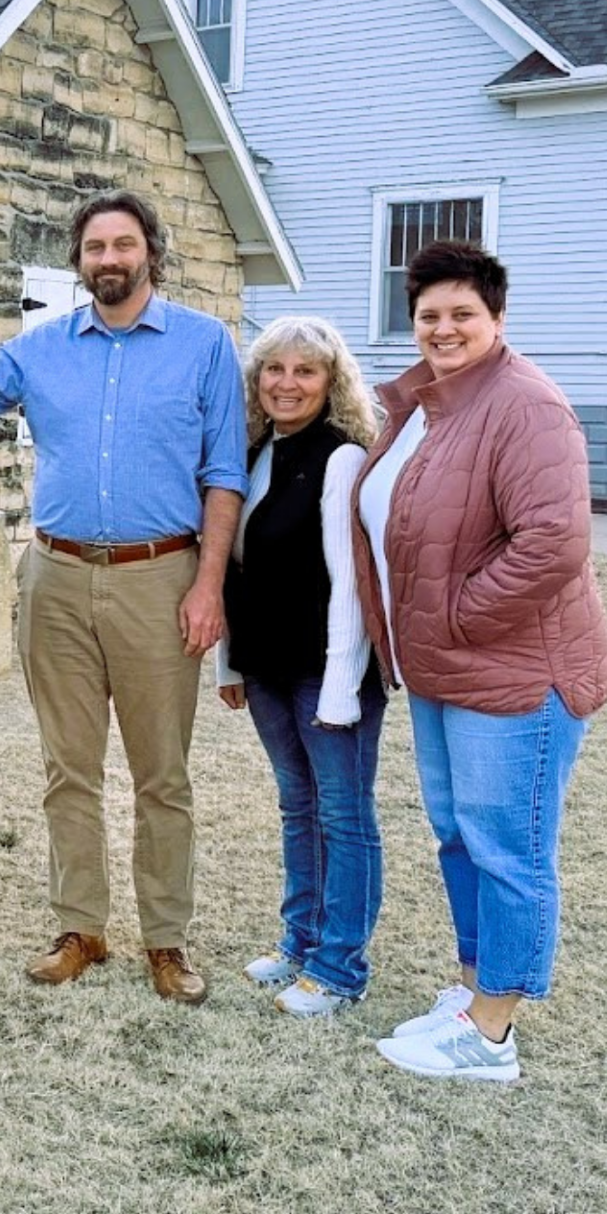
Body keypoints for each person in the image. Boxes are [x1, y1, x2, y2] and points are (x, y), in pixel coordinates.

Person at [0, 190, 244, 1003]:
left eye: (124, 244)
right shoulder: (41, 349)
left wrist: (209, 585)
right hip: (57, 577)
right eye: (95, 246)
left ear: (151, 253)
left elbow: (224, 475)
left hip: (161, 577)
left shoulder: (205, 346)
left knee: (161, 775)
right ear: (79, 262)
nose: (110, 258)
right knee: (68, 768)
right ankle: (81, 928)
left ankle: (167, 941)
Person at [352, 241, 605, 1082]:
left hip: (513, 674)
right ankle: (472, 992)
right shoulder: (436, 405)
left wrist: (457, 616)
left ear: (497, 318)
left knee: (509, 848)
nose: (444, 328)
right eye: (429, 314)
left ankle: (492, 1034)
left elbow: (555, 542)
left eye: (463, 313)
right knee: (460, 839)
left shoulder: (525, 404)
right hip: (445, 671)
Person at [214, 317, 384, 1016]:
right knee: (297, 806)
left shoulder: (341, 457)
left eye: (305, 371)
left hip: (328, 672)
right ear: (257, 381)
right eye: (274, 369)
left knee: (344, 816)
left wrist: (342, 689)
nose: (287, 383)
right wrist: (229, 662)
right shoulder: (252, 452)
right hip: (265, 668)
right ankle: (300, 939)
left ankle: (340, 965)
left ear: (331, 382)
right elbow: (232, 566)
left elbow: (352, 584)